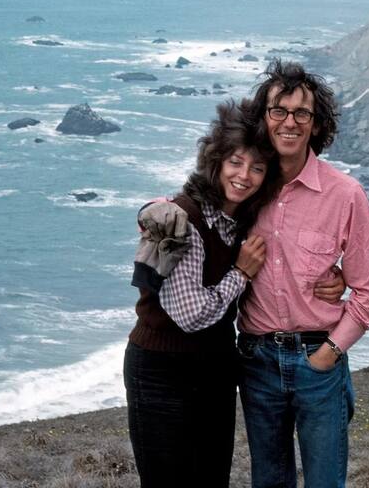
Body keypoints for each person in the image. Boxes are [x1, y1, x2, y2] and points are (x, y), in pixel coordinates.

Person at [123, 99, 344, 488]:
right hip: (162, 372)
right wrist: (240, 273)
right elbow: (191, 315)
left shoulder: (241, 222)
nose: (245, 176)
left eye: (257, 168)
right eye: (235, 163)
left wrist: (335, 276)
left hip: (216, 370)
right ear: (216, 162)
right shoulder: (181, 220)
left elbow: (284, 263)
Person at [238, 60, 369, 488]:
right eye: (279, 111)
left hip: (317, 363)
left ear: (317, 123)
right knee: (269, 483)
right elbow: (193, 204)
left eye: (302, 113)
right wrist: (156, 211)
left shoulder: (345, 195)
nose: (290, 122)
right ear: (263, 119)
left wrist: (329, 354)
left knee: (325, 483)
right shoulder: (244, 185)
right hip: (257, 361)